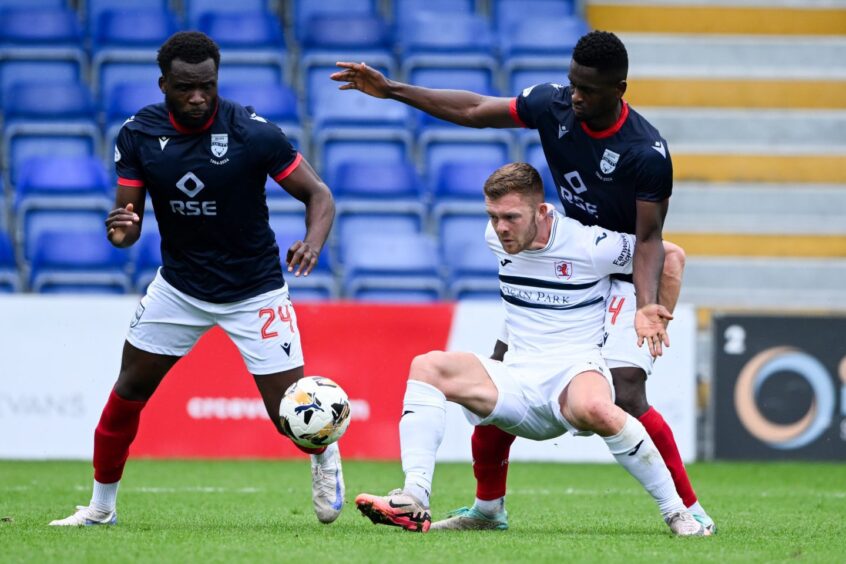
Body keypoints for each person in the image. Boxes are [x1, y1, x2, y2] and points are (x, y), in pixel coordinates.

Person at [331, 30, 715, 533]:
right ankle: (486, 509)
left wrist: (647, 305)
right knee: (499, 372)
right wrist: (395, 90)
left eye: (589, 89)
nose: (576, 96)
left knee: (624, 395)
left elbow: (650, 240)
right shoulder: (552, 106)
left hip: (621, 269)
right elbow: (473, 109)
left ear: (620, 88)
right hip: (558, 258)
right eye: (573, 83)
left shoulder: (646, 152)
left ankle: (688, 509)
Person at [50, 31, 343, 527]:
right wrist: (122, 232)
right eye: (186, 87)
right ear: (164, 83)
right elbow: (128, 221)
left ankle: (323, 456)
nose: (198, 96)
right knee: (127, 393)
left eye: (207, 85)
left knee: (291, 418)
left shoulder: (252, 132)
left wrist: (312, 242)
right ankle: (100, 509)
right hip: (179, 289)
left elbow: (319, 195)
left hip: (255, 290)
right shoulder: (138, 134)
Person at [354, 163, 707, 536]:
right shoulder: (495, 237)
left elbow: (670, 257)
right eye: (493, 217)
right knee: (427, 366)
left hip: (574, 372)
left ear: (541, 211)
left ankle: (678, 513)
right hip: (519, 374)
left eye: (510, 217)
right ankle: (417, 497)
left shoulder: (590, 245)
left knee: (599, 407)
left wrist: (652, 324)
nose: (500, 228)